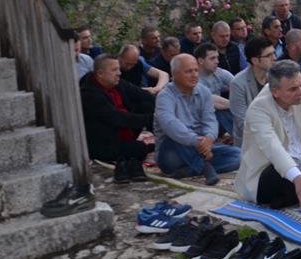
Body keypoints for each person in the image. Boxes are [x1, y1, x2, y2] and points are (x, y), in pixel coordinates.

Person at [235, 60, 301, 209]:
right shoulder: (258, 109)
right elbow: (273, 149)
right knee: (278, 177)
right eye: (293, 89)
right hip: (268, 175)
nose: (300, 91)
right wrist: (298, 180)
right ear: (275, 91)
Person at [154, 54, 241, 184]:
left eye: (196, 70)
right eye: (189, 71)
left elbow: (210, 120)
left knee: (239, 156)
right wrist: (198, 142)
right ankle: (205, 167)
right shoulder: (165, 96)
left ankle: (192, 169)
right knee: (174, 138)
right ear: (174, 74)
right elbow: (171, 125)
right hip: (175, 151)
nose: (194, 75)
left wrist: (209, 139)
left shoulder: (203, 92)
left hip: (201, 148)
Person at [79, 54, 154, 183]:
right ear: (100, 73)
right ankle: (126, 162)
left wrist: (164, 107)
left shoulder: (116, 83)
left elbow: (141, 94)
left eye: (119, 69)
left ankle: (131, 157)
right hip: (103, 141)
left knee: (147, 104)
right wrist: (151, 119)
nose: (119, 73)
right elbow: (117, 118)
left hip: (123, 132)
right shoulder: (88, 92)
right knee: (139, 149)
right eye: (114, 70)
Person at [229, 37, 276, 149]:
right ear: (255, 60)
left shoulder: (275, 76)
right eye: (268, 55)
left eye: (273, 53)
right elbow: (243, 123)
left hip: (275, 135)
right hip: (251, 143)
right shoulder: (238, 84)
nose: (274, 58)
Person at [194, 42, 235, 138]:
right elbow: (211, 99)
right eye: (212, 58)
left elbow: (239, 87)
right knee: (220, 111)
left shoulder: (219, 73)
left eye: (217, 57)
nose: (217, 61)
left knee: (225, 110)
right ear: (200, 61)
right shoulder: (194, 78)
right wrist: (237, 105)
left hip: (217, 118)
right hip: (201, 122)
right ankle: (241, 136)